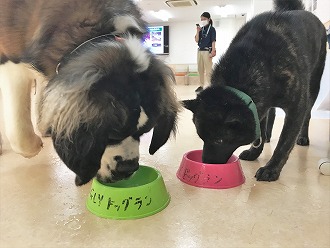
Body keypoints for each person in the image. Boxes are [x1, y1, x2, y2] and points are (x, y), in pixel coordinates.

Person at [195, 12, 216, 92]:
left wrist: (213, 51)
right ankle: (201, 85)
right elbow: (197, 40)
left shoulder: (212, 29)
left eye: (204, 19)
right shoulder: (201, 29)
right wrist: (197, 31)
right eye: (201, 19)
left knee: (208, 70)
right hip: (200, 51)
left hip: (207, 51)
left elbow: (213, 41)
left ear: (209, 19)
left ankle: (211, 86)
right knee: (200, 69)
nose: (203, 21)